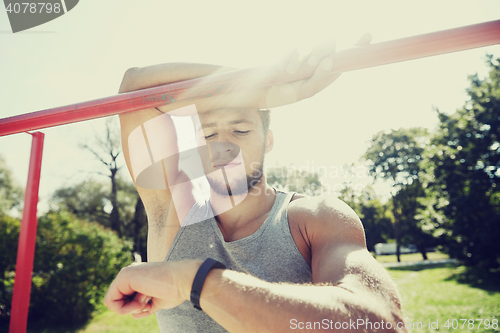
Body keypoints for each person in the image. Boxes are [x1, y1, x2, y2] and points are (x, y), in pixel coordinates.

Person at [104, 36, 408, 332]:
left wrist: (194, 282)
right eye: (208, 135)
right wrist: (266, 89)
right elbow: (135, 86)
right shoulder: (171, 213)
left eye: (240, 130)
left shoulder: (315, 217)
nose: (223, 145)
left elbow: (379, 324)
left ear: (268, 140)